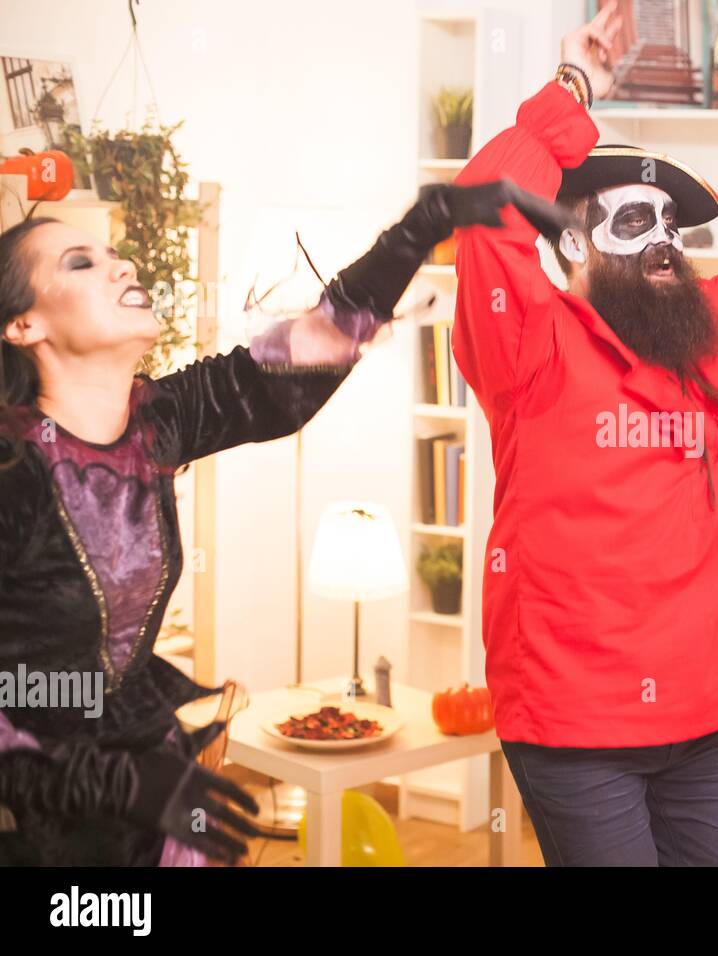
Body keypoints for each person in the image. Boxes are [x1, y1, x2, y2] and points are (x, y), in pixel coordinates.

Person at [0, 181, 564, 865]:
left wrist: (421, 226)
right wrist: (105, 780)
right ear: (23, 325)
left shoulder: (157, 423)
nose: (124, 266)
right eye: (80, 263)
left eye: (115, 254)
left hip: (144, 796)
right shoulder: (12, 470)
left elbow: (310, 349)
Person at [449, 1, 718, 865]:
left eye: (673, 224)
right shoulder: (529, 343)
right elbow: (484, 222)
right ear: (574, 247)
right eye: (634, 222)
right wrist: (573, 89)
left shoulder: (708, 327)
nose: (665, 239)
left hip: (701, 716)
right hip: (574, 721)